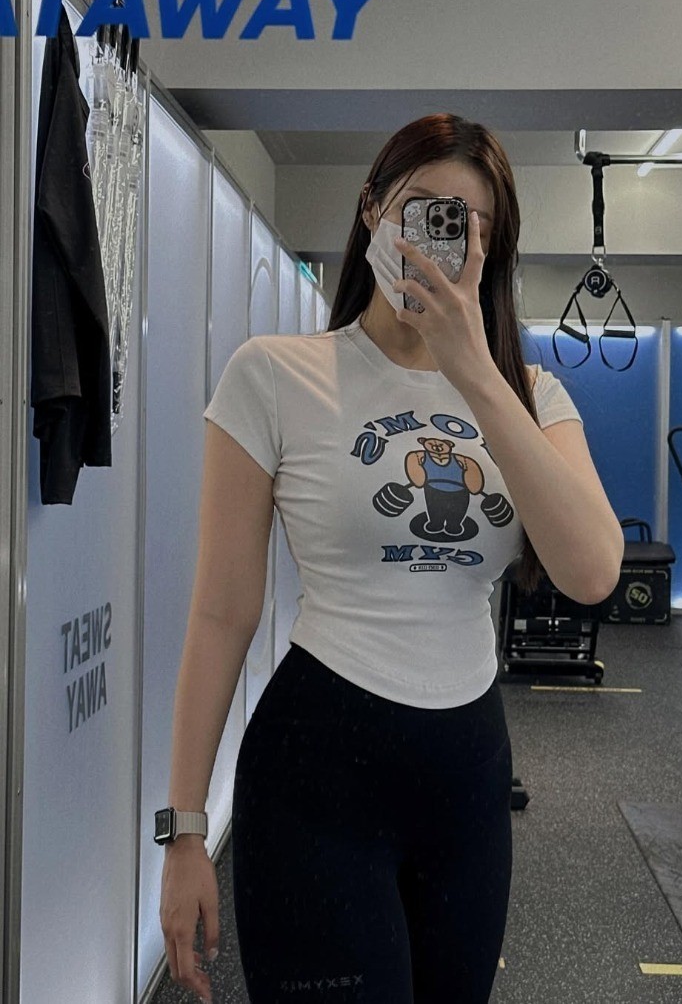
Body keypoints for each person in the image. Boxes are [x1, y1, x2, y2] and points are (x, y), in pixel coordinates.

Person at [158, 113, 624, 1004]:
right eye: (425, 211)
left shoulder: (531, 396)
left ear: (492, 250)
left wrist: (473, 369)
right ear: (373, 210)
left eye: (470, 226)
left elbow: (593, 571)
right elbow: (221, 614)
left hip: (468, 781)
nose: (443, 240)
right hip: (316, 778)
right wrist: (183, 830)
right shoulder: (273, 375)